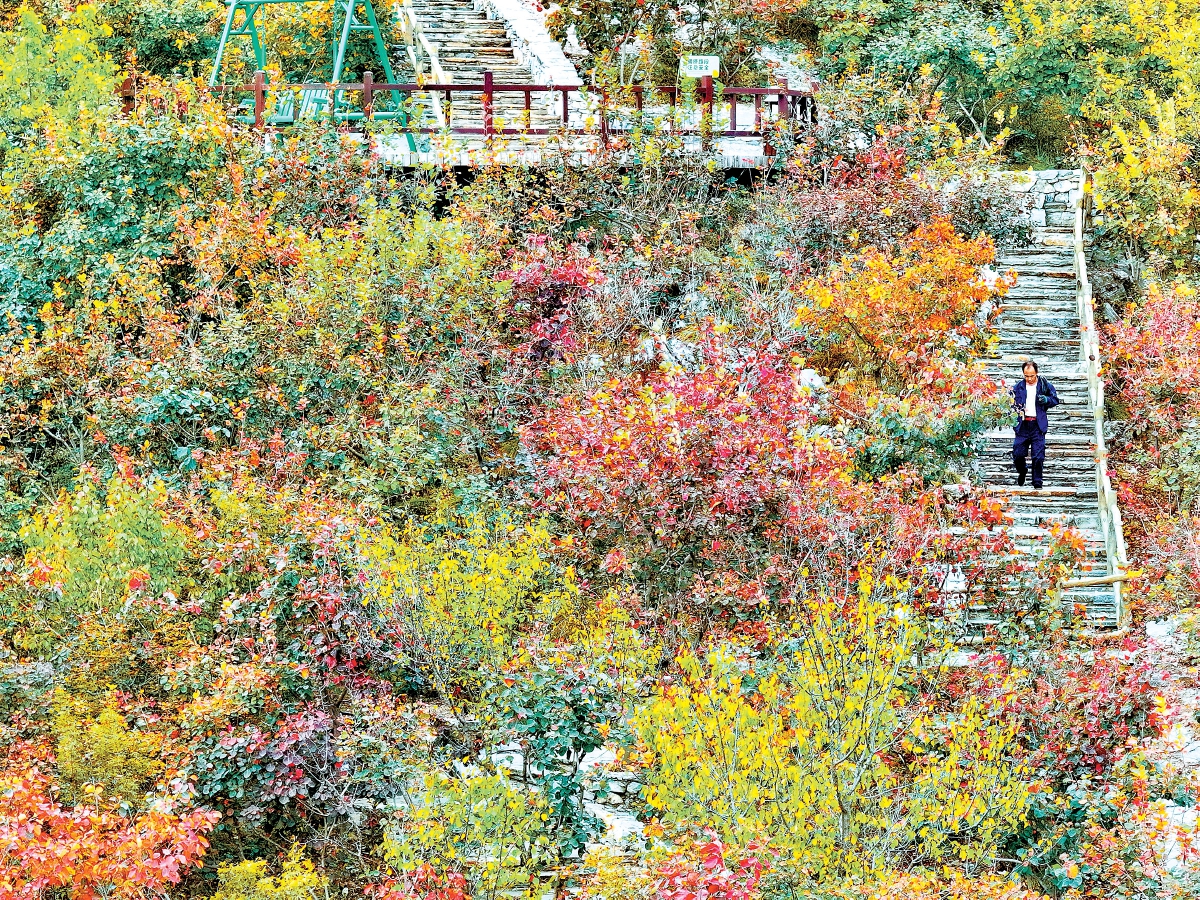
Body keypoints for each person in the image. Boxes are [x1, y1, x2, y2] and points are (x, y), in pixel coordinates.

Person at [1011, 360, 1059, 489]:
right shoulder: (1018, 387)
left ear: (1036, 373)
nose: (1029, 378)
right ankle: (1022, 470)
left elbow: (1055, 399)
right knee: (1017, 453)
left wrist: (1046, 400)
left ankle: (1037, 481)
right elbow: (1010, 404)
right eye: (1026, 376)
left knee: (1038, 455)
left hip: (1038, 424)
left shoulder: (1044, 385)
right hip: (1023, 425)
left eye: (1032, 375)